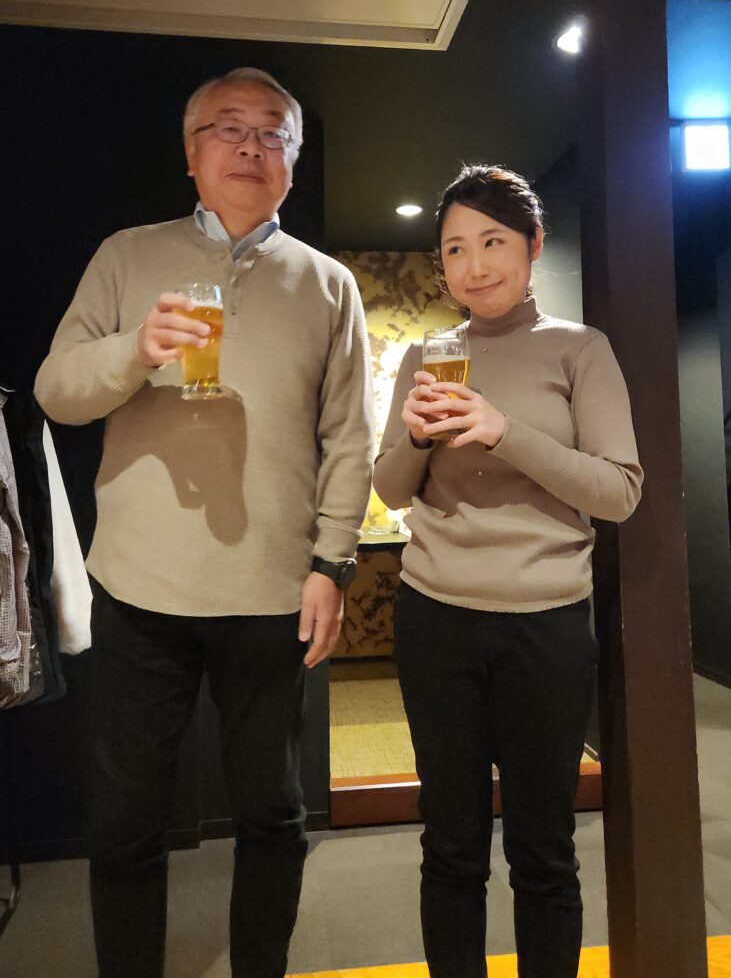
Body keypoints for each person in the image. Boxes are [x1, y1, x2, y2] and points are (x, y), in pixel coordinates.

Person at [35, 67, 374, 978]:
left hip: (272, 592)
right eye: (229, 128)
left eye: (273, 134)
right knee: (126, 822)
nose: (251, 147)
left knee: (272, 814)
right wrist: (134, 349)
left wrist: (331, 565)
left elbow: (349, 436)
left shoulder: (328, 284)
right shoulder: (125, 255)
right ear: (191, 154)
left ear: (292, 162)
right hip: (138, 587)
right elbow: (56, 391)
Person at [373, 164, 643, 978]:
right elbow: (390, 490)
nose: (473, 265)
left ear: (532, 246)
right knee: (450, 845)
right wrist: (414, 439)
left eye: (492, 242)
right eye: (454, 248)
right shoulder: (428, 354)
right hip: (435, 620)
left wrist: (503, 432)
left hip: (545, 626)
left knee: (542, 849)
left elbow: (618, 492)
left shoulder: (579, 349)